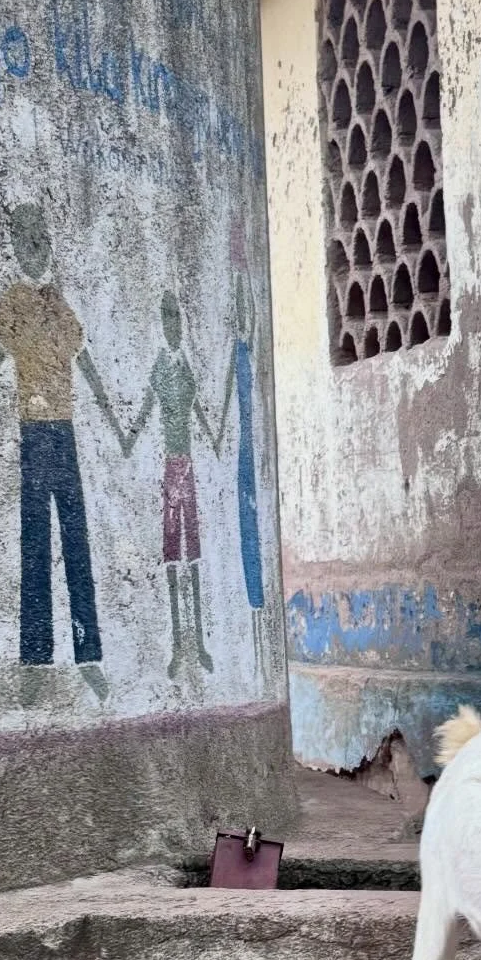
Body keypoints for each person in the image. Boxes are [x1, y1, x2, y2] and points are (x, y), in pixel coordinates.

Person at [0, 203, 116, 704]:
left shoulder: (58, 303)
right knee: (36, 547)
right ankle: (36, 657)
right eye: (26, 240)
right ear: (16, 246)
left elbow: (86, 360)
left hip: (66, 433)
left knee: (77, 546)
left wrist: (114, 418)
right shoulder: (12, 302)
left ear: (48, 245)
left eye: (40, 239)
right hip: (33, 435)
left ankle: (89, 654)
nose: (34, 248)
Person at [123, 291, 222, 679]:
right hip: (169, 469)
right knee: (171, 557)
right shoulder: (161, 367)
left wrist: (215, 439)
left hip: (189, 468)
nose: (173, 327)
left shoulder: (184, 369)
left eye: (176, 319)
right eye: (168, 321)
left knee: (193, 557)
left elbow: (198, 410)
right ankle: (178, 644)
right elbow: (147, 409)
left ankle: (197, 642)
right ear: (163, 327)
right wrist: (127, 437)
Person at [218, 218, 266, 679]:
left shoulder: (246, 352)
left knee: (251, 526)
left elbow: (247, 314)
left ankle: (256, 611)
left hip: (249, 454)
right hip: (240, 456)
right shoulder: (236, 357)